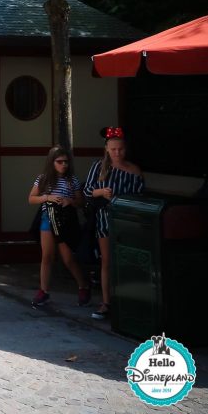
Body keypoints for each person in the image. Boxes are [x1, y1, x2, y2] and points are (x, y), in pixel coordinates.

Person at [83, 127, 144, 321]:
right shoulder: (99, 167)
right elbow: (87, 191)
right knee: (107, 261)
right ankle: (106, 302)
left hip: (127, 221)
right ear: (107, 150)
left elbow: (140, 196)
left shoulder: (134, 171)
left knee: (128, 261)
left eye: (121, 149)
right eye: (113, 149)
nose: (117, 153)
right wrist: (101, 192)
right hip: (105, 218)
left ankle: (129, 300)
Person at [28, 146, 90, 308]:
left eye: (66, 162)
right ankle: (44, 290)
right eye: (59, 161)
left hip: (64, 221)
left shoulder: (72, 180)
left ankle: (83, 286)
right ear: (52, 162)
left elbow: (81, 202)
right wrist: (47, 197)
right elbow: (32, 198)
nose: (63, 165)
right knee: (47, 256)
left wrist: (69, 201)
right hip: (47, 219)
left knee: (68, 258)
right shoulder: (43, 179)